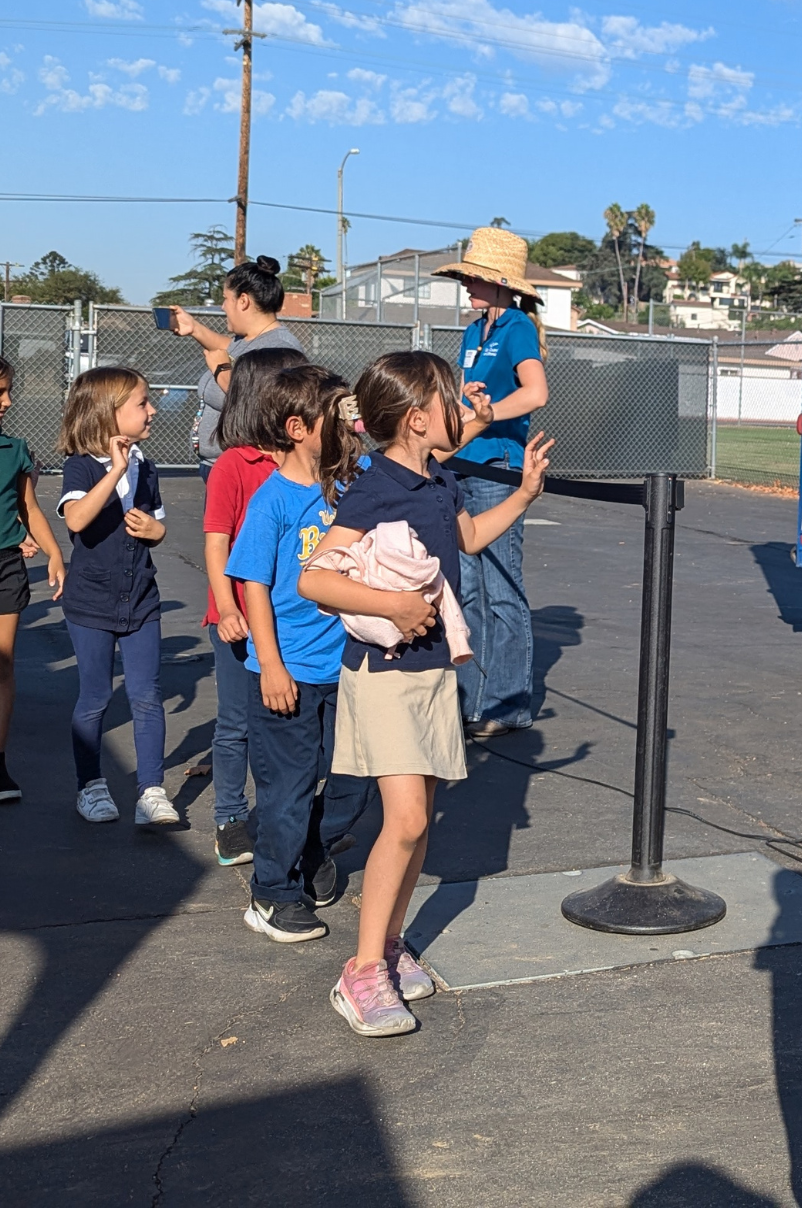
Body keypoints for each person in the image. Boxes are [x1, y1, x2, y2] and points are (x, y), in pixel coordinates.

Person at [297, 351, 551, 1037]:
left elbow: (466, 539)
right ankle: (361, 972)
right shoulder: (376, 485)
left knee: (416, 824)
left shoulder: (439, 481)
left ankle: (388, 942)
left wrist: (523, 495)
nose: (464, 411)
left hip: (434, 671)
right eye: (452, 403)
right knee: (406, 821)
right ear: (417, 420)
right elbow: (316, 579)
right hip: (384, 675)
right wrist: (392, 604)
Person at [230, 365, 366, 942]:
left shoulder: (353, 482)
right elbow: (253, 585)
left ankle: (312, 845)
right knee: (286, 789)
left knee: (352, 784)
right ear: (298, 427)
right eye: (338, 416)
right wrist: (272, 665)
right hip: (287, 672)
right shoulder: (273, 501)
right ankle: (271, 892)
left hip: (350, 668)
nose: (351, 425)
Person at [433, 226, 549, 739]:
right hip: (464, 466)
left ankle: (508, 704)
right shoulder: (471, 331)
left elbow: (536, 393)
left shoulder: (519, 326)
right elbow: (463, 400)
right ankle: (471, 702)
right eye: (465, 276)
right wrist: (446, 440)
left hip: (500, 467)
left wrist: (486, 415)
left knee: (502, 589)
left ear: (502, 283)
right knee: (468, 591)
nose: (466, 284)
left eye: (474, 277)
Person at [193, 345, 308, 860]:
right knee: (237, 722)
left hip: (289, 618)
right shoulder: (234, 465)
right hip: (238, 619)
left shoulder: (307, 463)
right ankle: (230, 818)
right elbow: (217, 540)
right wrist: (228, 607)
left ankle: (286, 815)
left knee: (287, 722)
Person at [58, 367, 172, 827]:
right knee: (96, 696)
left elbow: (158, 526)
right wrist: (116, 470)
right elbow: (77, 520)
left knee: (147, 695)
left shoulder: (147, 465)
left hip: (141, 599)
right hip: (90, 605)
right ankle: (91, 785)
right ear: (109, 412)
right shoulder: (81, 465)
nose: (153, 410)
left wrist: (156, 530)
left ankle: (151, 790)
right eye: (143, 403)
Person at [0, 356, 65, 804]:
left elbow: (29, 508)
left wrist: (55, 552)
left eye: (8, 392)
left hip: (5, 564)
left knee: (3, 665)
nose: (6, 402)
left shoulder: (16, 449)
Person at [170, 254, 305, 469]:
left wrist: (222, 370)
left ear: (243, 301)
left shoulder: (281, 348)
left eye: (226, 298)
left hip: (246, 470)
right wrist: (193, 328)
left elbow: (261, 406)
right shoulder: (248, 339)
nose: (223, 307)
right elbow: (231, 348)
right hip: (219, 465)